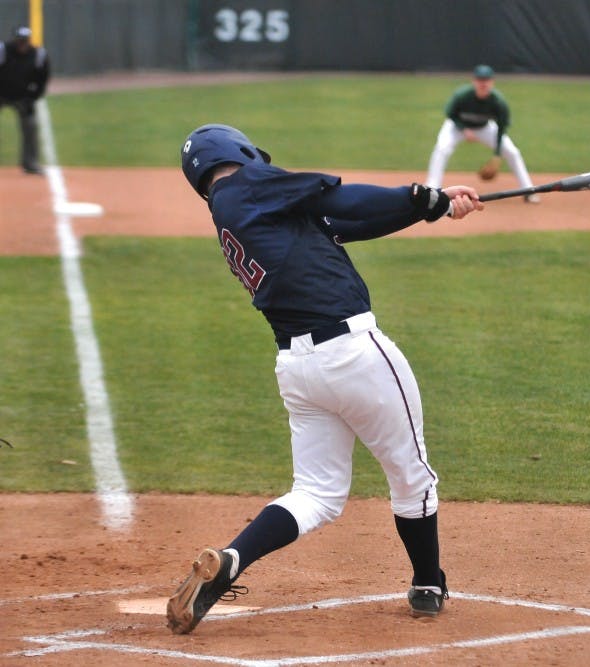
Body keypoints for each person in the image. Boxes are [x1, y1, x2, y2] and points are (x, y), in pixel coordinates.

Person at [169, 123, 484, 634]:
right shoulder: (248, 185)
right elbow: (340, 196)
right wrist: (416, 195)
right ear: (239, 152)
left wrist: (432, 206)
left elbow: (343, 222)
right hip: (355, 354)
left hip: (298, 369)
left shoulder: (233, 211)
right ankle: (428, 583)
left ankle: (231, 559)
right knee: (412, 476)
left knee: (315, 493)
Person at [426, 64, 540, 203]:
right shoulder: (462, 95)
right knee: (442, 148)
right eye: (480, 80)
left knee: (512, 152)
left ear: (492, 82)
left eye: (486, 80)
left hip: (485, 128)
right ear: (474, 81)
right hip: (456, 126)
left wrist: (498, 154)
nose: (483, 83)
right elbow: (450, 113)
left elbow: (501, 127)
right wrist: (463, 129)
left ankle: (528, 190)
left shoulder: (498, 101)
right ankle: (431, 191)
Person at [0, 26, 49, 174]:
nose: (22, 45)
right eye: (20, 41)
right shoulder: (3, 51)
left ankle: (30, 163)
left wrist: (33, 97)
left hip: (23, 97)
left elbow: (42, 79)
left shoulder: (38, 55)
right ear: (15, 40)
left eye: (25, 41)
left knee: (30, 126)